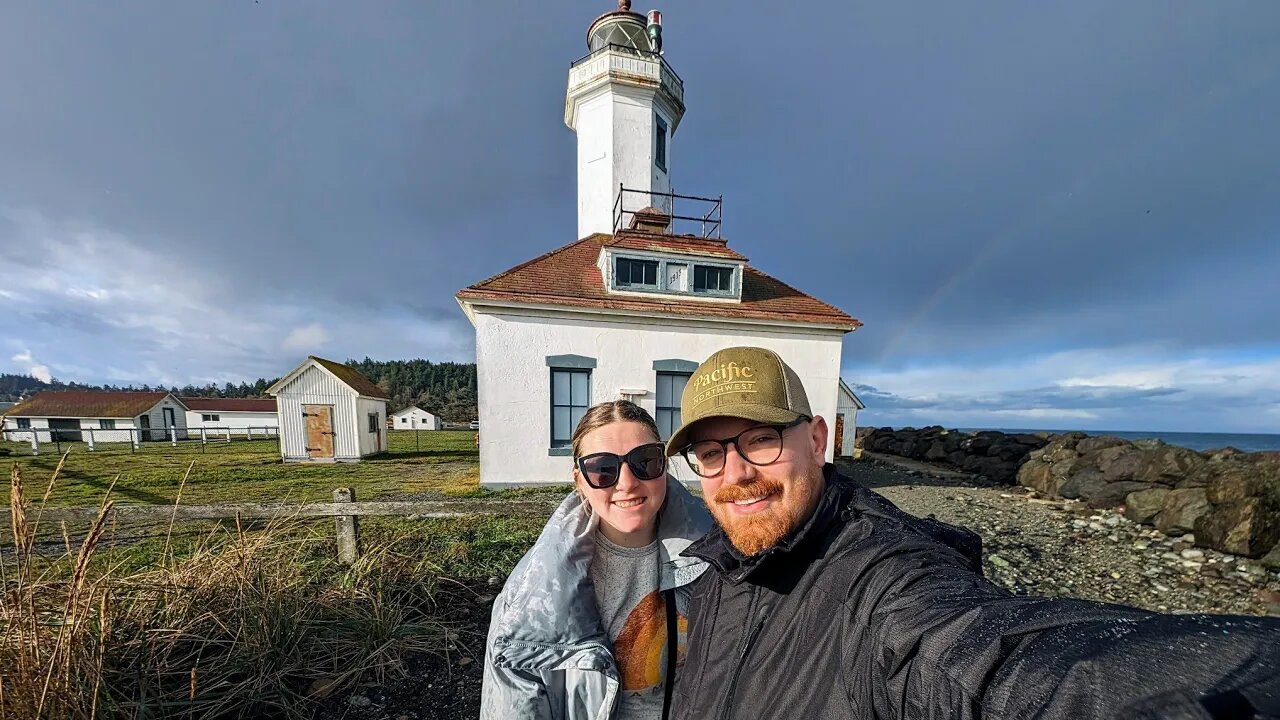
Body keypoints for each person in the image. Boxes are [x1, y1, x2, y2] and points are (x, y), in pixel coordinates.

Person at [664, 346, 1280, 720]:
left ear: (819, 440)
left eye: (762, 440)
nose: (737, 473)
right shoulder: (721, 570)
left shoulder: (884, 579)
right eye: (711, 453)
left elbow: (1005, 665)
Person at [481, 400, 713, 720]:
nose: (628, 482)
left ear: (664, 466)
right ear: (579, 480)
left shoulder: (719, 557)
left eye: (645, 461)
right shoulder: (529, 603)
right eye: (603, 469)